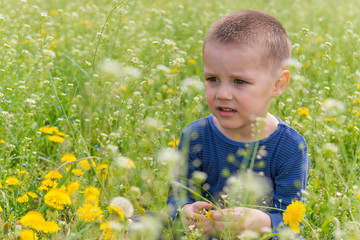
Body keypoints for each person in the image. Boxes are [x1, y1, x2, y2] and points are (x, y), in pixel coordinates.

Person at [167, 9, 310, 238]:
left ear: (278, 84)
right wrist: (184, 212)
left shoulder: (290, 147)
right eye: (212, 79)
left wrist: (263, 222)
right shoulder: (195, 135)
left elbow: (293, 220)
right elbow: (176, 197)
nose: (222, 93)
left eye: (239, 81)